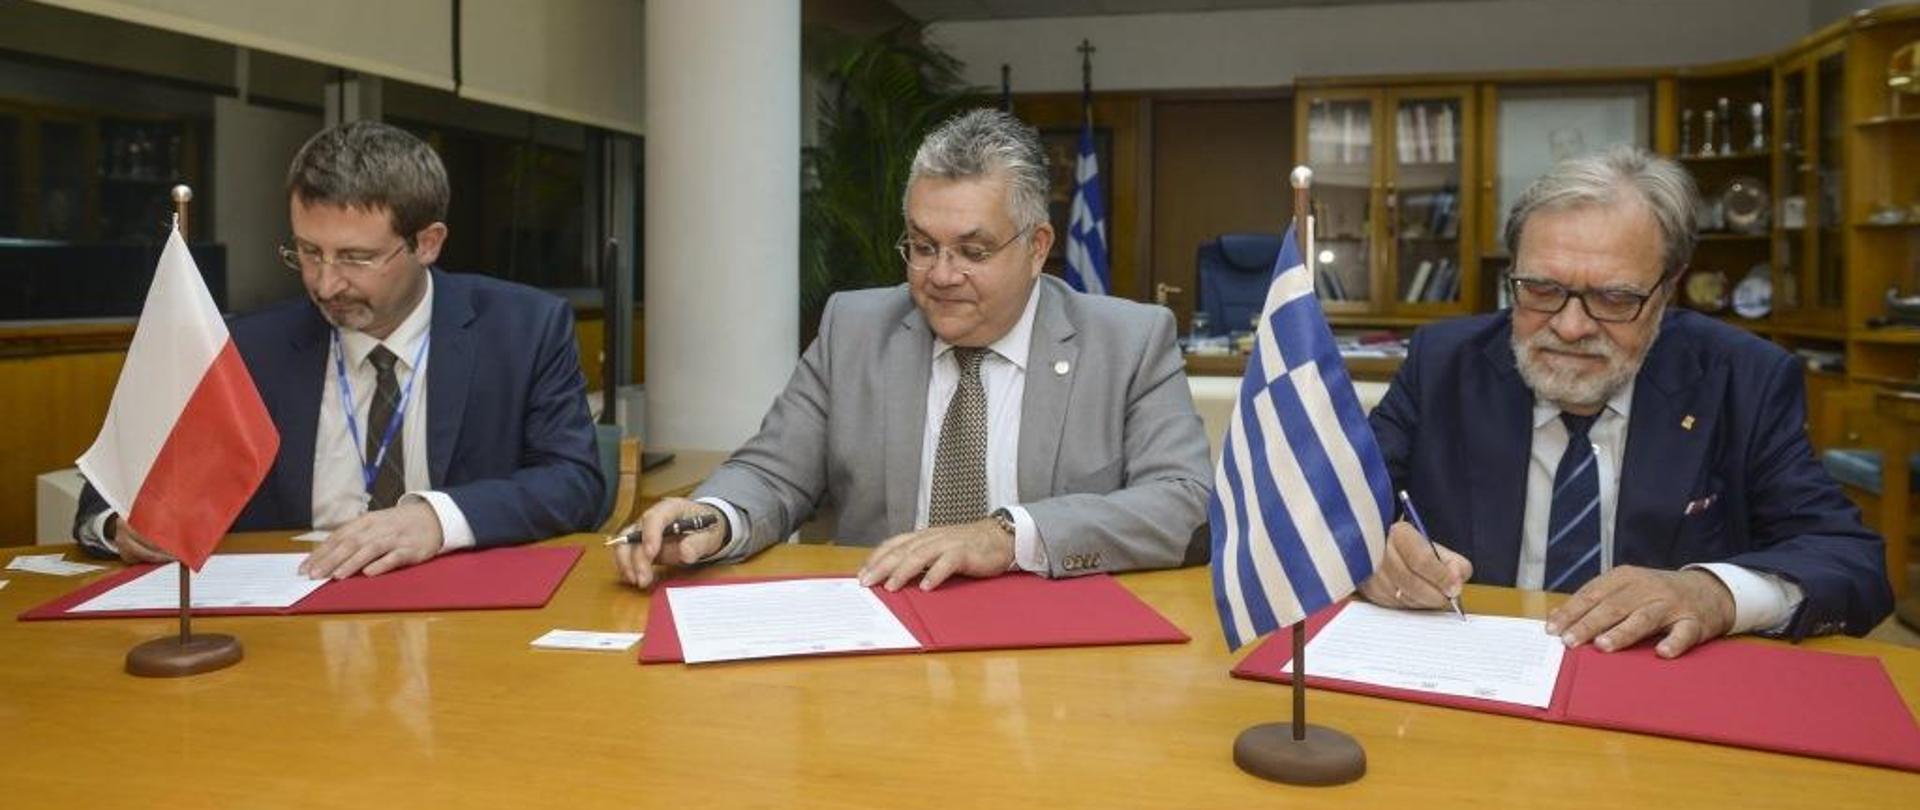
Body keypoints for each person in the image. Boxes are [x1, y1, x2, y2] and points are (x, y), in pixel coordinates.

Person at [613, 108, 1211, 591]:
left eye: (973, 252)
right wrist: (715, 518)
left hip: (1056, 649)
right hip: (883, 629)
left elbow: (1186, 505)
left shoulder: (1129, 342)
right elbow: (772, 472)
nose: (941, 275)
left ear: (1037, 247)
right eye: (923, 247)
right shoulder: (854, 328)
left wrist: (1006, 537)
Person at [1363, 145, 1891, 657]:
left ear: (1668, 288)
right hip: (1473, 668)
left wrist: (1713, 594)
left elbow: (1851, 560)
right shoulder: (1443, 363)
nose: (1570, 327)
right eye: (1541, 290)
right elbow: (1335, 506)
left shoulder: (1743, 379)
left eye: (1615, 298)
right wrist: (1372, 555)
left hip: (1657, 681)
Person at [74, 120, 604, 578]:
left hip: (457, 610)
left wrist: (437, 519)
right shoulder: (249, 349)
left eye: (355, 257)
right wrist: (119, 526)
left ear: (427, 242)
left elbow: (574, 482)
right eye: (308, 252)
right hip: (288, 616)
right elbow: (111, 496)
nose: (326, 285)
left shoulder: (523, 330)